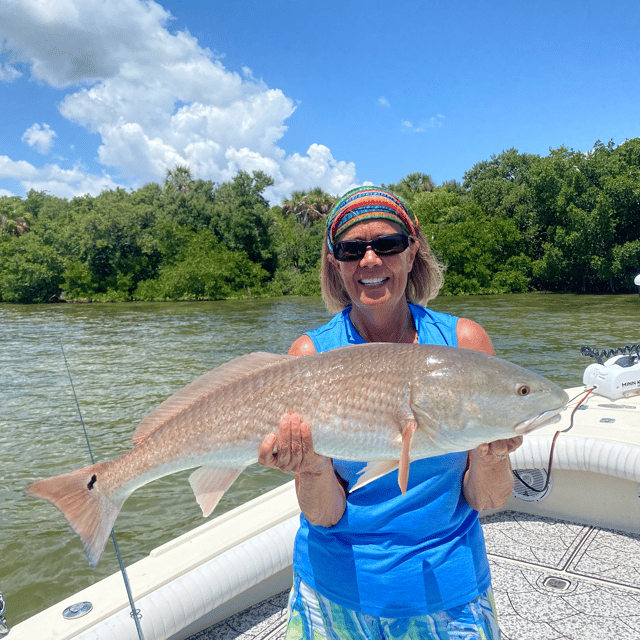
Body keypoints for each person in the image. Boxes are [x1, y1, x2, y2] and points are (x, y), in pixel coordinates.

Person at [258, 186, 523, 640]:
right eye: (351, 249)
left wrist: (493, 455)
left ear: (412, 248)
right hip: (334, 590)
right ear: (333, 260)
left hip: (449, 591)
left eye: (387, 244)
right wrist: (313, 468)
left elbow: (489, 499)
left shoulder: (465, 343)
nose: (371, 261)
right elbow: (323, 515)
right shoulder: (308, 354)